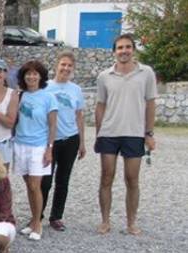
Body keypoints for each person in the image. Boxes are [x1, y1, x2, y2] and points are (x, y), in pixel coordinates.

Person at [95, 33, 157, 235]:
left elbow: (150, 104)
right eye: (120, 48)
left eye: (127, 47)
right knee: (106, 177)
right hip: (109, 133)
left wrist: (149, 133)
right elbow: (100, 106)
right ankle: (105, 221)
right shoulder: (104, 76)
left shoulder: (146, 73)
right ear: (114, 52)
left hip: (134, 133)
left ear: (133, 49)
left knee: (132, 179)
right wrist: (98, 133)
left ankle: (131, 222)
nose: (124, 51)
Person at [41, 51, 86, 232]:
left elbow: (79, 116)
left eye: (69, 66)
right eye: (63, 64)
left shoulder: (76, 90)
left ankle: (56, 216)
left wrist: (82, 142)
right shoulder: (46, 87)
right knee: (45, 180)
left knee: (63, 180)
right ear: (56, 66)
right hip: (50, 140)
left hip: (70, 139)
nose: (66, 68)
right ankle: (38, 216)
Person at [13, 60, 58, 241]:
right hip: (20, 144)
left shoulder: (48, 97)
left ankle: (38, 223)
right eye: (28, 74)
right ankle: (32, 220)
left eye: (35, 73)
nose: (31, 77)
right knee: (28, 186)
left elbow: (53, 125)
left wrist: (50, 148)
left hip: (39, 146)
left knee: (35, 185)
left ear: (41, 76)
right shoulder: (19, 96)